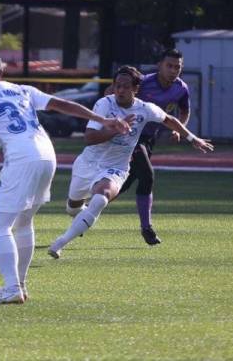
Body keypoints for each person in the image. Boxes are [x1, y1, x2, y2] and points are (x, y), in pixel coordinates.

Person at [0, 51, 132, 305]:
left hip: (21, 158)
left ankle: (12, 288)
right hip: (47, 154)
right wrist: (100, 119)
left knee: (0, 226)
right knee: (23, 223)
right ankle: (19, 285)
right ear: (2, 71)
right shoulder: (22, 89)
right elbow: (60, 104)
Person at [48, 65, 212, 259]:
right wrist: (115, 129)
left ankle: (60, 242)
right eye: (117, 86)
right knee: (72, 207)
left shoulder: (145, 109)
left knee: (101, 198)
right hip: (87, 164)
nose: (120, 90)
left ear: (136, 89)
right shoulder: (104, 104)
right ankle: (80, 217)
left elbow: (169, 120)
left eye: (126, 86)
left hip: (116, 168)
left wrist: (193, 138)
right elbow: (90, 137)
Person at [85, 49, 191, 245]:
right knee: (148, 175)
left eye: (178, 67)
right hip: (129, 136)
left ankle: (86, 214)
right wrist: (111, 121)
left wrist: (179, 130)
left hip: (149, 138)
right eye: (169, 65)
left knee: (124, 183)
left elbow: (184, 110)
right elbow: (112, 94)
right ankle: (147, 228)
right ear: (160, 65)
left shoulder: (181, 88)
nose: (173, 70)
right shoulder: (143, 82)